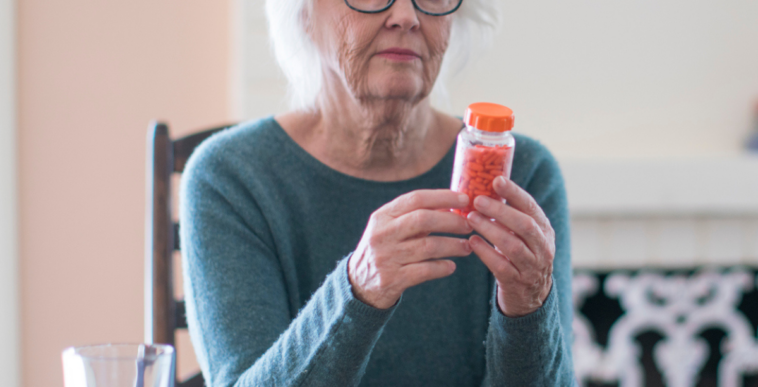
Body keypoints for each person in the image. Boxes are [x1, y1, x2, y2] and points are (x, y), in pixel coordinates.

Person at [180, 0, 575, 385]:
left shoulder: (519, 171)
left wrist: (530, 308)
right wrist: (358, 291)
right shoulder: (230, 177)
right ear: (301, 14)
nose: (406, 16)